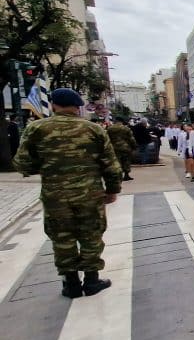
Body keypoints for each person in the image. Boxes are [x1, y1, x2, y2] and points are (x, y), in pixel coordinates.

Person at [13, 88, 120, 298]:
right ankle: (91, 280)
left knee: (62, 238)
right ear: (78, 106)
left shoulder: (36, 128)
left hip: (55, 196)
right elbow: (111, 165)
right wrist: (112, 190)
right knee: (91, 235)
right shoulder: (94, 129)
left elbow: (22, 163)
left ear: (53, 105)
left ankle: (70, 284)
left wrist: (47, 167)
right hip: (90, 194)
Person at [106, 117, 137, 181]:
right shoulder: (126, 128)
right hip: (125, 147)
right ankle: (126, 175)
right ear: (122, 121)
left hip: (114, 148)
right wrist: (134, 146)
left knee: (117, 162)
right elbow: (131, 139)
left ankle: (118, 176)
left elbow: (107, 139)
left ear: (115, 120)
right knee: (126, 161)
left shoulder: (110, 128)